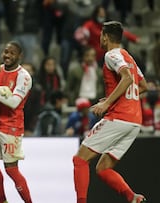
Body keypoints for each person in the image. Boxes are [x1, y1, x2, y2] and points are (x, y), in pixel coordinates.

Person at [72, 21, 148, 203]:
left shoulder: (111, 55)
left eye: (100, 36)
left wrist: (107, 104)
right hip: (135, 121)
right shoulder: (128, 56)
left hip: (119, 118)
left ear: (105, 37)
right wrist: (112, 98)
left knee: (80, 160)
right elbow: (143, 85)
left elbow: (127, 78)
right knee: (103, 168)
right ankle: (133, 198)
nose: (99, 39)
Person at [0, 41, 33, 203]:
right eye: (6, 52)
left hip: (11, 128)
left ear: (20, 56)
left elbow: (13, 102)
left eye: (12, 53)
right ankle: (2, 200)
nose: (7, 56)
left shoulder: (23, 76)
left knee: (11, 169)